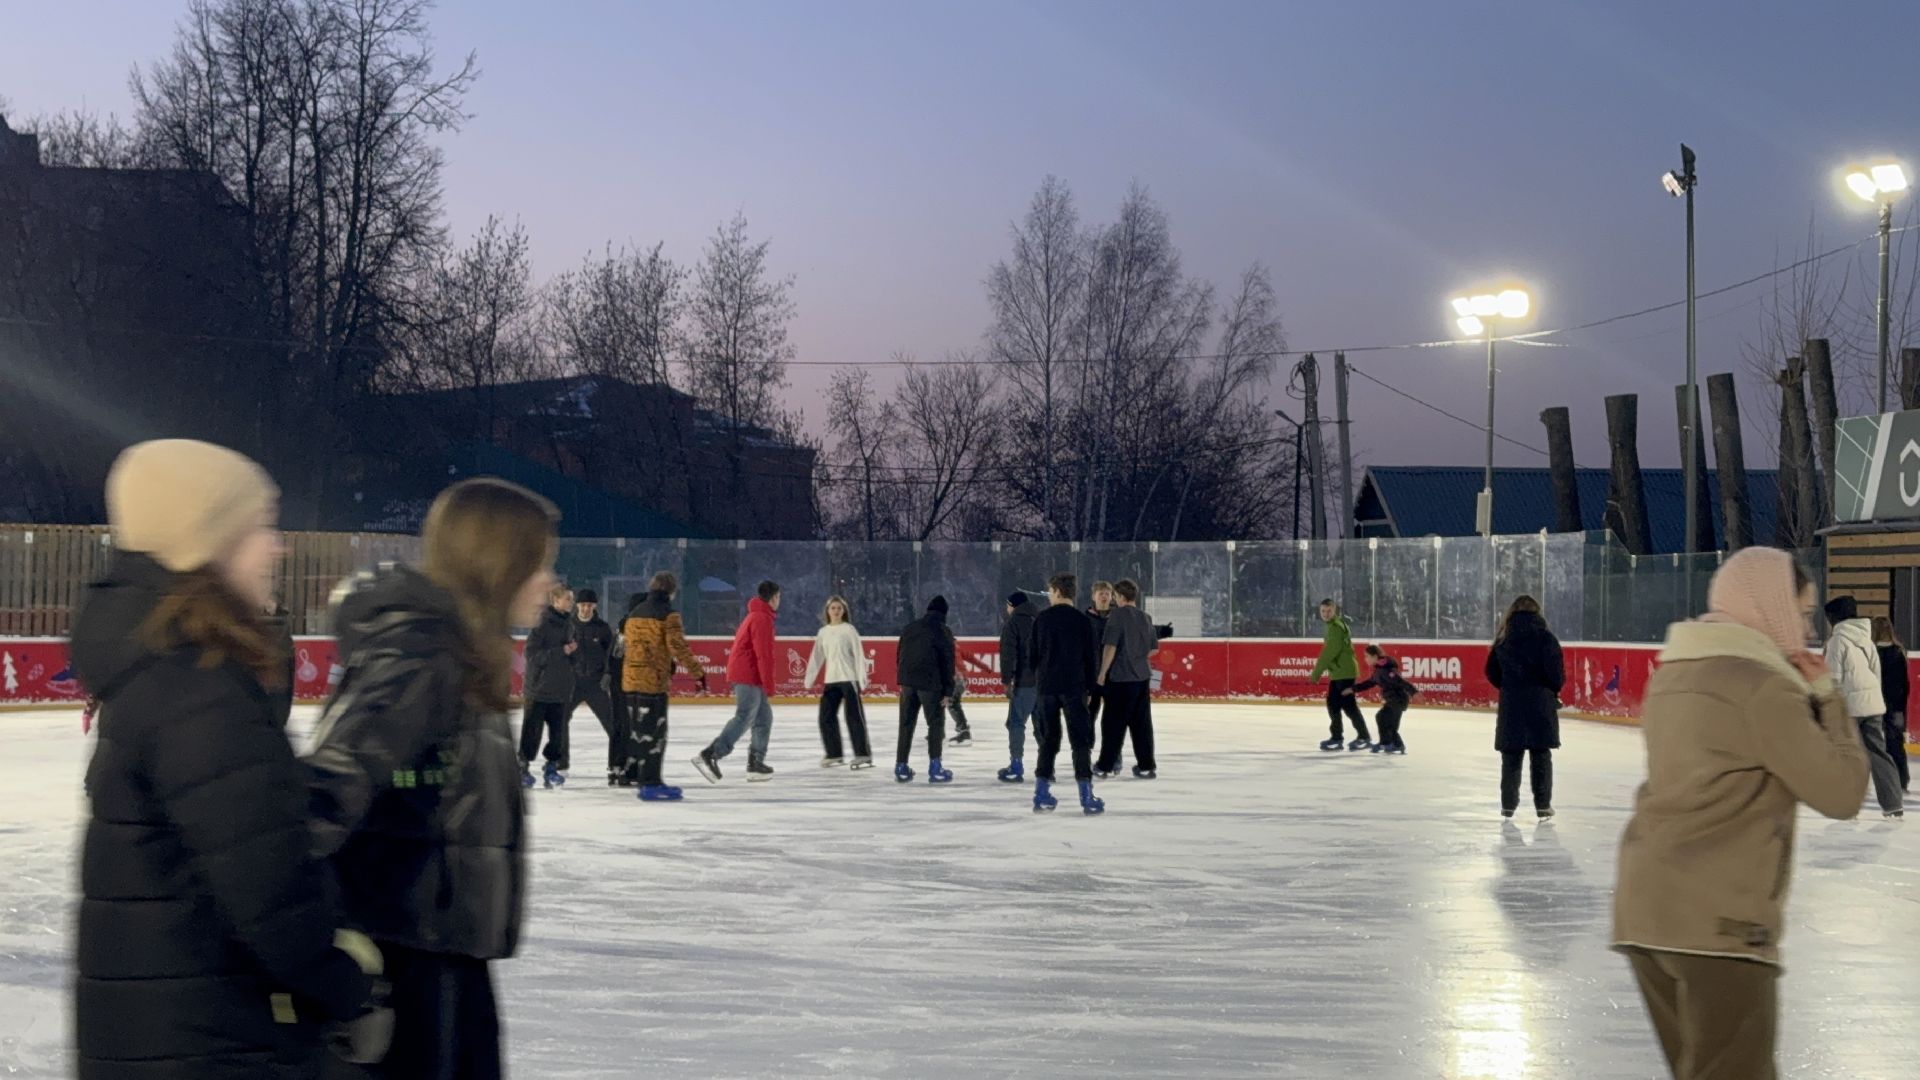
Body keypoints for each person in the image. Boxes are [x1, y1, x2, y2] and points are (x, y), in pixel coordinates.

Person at [71, 440, 382, 1079]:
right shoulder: (199, 689)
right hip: (211, 1043)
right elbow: (269, 891)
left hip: (164, 1032)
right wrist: (348, 985)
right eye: (259, 527)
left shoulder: (162, 669)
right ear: (206, 543)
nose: (277, 548)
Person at [308, 476, 558, 1079]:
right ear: (498, 565)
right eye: (538, 564)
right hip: (409, 962)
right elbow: (323, 791)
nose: (550, 581)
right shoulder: (421, 655)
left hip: (444, 953)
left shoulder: (458, 653)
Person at [1614, 547, 1868, 1080]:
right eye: (1801, 613)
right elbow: (1842, 793)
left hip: (1645, 915)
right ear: (1769, 607)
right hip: (1719, 925)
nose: (1807, 630)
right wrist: (1827, 696)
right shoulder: (1761, 686)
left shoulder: (1673, 673)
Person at [623, 572, 708, 799]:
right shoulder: (668, 615)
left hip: (631, 681)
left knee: (638, 733)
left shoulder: (634, 613)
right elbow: (678, 647)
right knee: (655, 732)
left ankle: (639, 777)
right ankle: (651, 783)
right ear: (671, 592)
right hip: (653, 682)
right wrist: (698, 673)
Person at [1824, 597, 1904, 818]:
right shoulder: (1866, 639)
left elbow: (1833, 679)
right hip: (1872, 704)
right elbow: (1875, 673)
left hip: (1850, 707)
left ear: (1834, 618)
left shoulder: (1837, 641)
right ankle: (1893, 804)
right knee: (1878, 753)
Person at [694, 581, 781, 783]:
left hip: (749, 675)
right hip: (747, 675)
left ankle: (756, 763)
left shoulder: (757, 615)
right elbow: (763, 654)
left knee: (764, 718)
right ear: (774, 598)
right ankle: (711, 754)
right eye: (779, 597)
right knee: (745, 716)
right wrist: (769, 684)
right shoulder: (761, 618)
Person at [1032, 573, 1105, 815]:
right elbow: (1091, 658)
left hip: (1047, 687)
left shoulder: (1042, 619)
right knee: (1080, 741)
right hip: (1074, 687)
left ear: (1056, 591)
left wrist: (1041, 674)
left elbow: (1032, 656)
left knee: (1049, 740)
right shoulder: (1083, 621)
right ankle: (1086, 796)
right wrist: (1091, 688)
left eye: (1050, 591)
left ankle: (1041, 793)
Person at [1487, 595, 1565, 820]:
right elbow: (1556, 674)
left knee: (1511, 756)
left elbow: (1491, 671)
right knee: (1541, 755)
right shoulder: (1546, 638)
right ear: (1537, 613)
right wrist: (1549, 690)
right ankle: (1543, 805)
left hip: (1512, 704)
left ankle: (1508, 805)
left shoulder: (1503, 639)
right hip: (1540, 703)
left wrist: (1509, 687)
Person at [1094, 578, 1159, 779]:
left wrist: (1102, 672)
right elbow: (1154, 648)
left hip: (1121, 678)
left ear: (1120, 596)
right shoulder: (1145, 617)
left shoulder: (1117, 616)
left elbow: (1110, 646)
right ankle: (1146, 765)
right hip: (1142, 677)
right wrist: (1138, 657)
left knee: (1113, 723)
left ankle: (1105, 765)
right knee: (1142, 724)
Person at [804, 594, 873, 768]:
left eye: (839, 608)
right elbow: (817, 657)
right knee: (825, 717)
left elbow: (859, 655)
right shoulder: (823, 632)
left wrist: (862, 678)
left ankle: (863, 754)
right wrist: (809, 679)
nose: (836, 611)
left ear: (844, 611)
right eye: (833, 608)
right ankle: (834, 753)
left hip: (849, 679)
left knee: (854, 717)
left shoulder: (849, 630)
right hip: (831, 680)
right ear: (827, 611)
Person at [517, 585, 576, 788]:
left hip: (561, 689)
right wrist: (562, 651)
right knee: (532, 731)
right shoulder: (541, 624)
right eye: (567, 599)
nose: (571, 603)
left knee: (558, 734)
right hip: (539, 689)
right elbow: (532, 655)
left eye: (571, 599)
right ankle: (523, 767)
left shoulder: (570, 624)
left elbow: (570, 656)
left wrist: (572, 655)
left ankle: (551, 767)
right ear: (556, 601)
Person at [895, 596, 957, 783]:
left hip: (908, 683)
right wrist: (948, 691)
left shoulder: (910, 627)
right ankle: (935, 768)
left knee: (906, 725)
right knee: (935, 724)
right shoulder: (943, 630)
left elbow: (900, 653)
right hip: (930, 684)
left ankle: (901, 766)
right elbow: (948, 662)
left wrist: (903, 679)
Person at [565, 589, 619, 786]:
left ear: (594, 606)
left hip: (596, 685)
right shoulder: (567, 626)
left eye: (589, 605)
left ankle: (616, 766)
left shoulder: (603, 629)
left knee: (612, 725)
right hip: (572, 684)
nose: (586, 608)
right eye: (582, 605)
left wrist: (608, 674)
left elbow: (611, 655)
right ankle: (561, 764)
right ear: (577, 606)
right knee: (560, 722)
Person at [1309, 599, 1372, 752]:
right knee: (1333, 704)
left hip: (1344, 672)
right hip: (1340, 672)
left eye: (1329, 611)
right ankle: (1337, 737)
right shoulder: (1334, 625)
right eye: (1323, 611)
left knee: (1348, 706)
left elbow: (1329, 652)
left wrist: (1316, 673)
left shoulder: (1335, 628)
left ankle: (1363, 736)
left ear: (1334, 610)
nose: (1325, 614)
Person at [997, 590, 1039, 782]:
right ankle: (1046, 766)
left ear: (1012, 606)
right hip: (1044, 682)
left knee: (1015, 722)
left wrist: (1007, 680)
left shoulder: (1013, 624)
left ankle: (1016, 765)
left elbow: (1008, 654)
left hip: (1024, 682)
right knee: (1042, 725)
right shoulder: (1040, 620)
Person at [1349, 643, 1417, 755]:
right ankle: (1392, 744)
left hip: (1398, 700)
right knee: (1385, 721)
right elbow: (1369, 683)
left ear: (1375, 656)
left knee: (1384, 719)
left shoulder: (1386, 669)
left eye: (1367, 656)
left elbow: (1400, 681)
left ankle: (1390, 744)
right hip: (1394, 700)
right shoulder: (1379, 669)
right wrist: (1353, 689)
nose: (1365, 659)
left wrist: (1414, 692)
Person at [1873, 615, 1912, 792]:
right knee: (1896, 744)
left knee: (1874, 745)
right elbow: (1905, 684)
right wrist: (1902, 707)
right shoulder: (1898, 651)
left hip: (1876, 704)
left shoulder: (1872, 652)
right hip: (1896, 706)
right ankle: (1902, 780)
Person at [1085, 582, 1114, 732]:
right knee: (1088, 716)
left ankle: (1112, 748)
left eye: (1107, 593)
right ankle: (1086, 745)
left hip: (1113, 675)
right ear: (1093, 596)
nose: (1104, 596)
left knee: (1112, 719)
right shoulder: (1085, 619)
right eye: (1101, 593)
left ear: (1112, 597)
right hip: (1091, 675)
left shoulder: (1118, 618)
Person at [945, 620, 975, 746]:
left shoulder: (947, 647)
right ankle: (961, 729)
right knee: (950, 703)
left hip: (957, 680)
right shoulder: (952, 646)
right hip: (959, 680)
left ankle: (963, 731)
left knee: (952, 703)